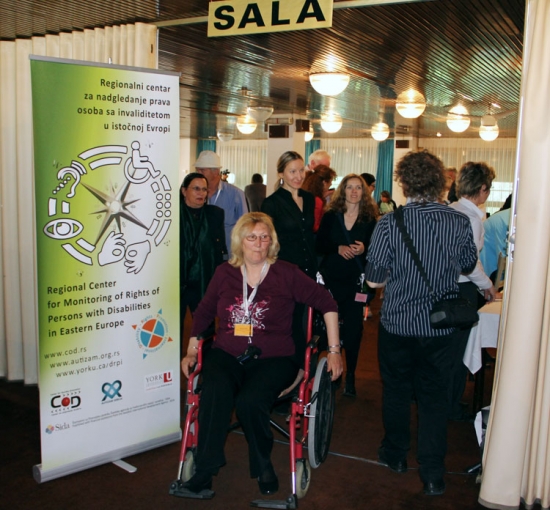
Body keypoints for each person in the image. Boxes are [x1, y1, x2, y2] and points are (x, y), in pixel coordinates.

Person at [180, 212, 342, 497]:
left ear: (272, 241)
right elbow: (204, 311)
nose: (259, 243)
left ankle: (262, 463)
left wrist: (334, 350)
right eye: (252, 237)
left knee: (250, 401)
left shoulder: (286, 273)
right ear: (240, 241)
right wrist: (192, 349)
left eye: (265, 237)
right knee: (214, 390)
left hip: (274, 357)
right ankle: (205, 470)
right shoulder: (224, 273)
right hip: (228, 353)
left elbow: (327, 303)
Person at [365, 149, 477, 496]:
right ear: (441, 183)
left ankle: (396, 455)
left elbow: (373, 280)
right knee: (433, 398)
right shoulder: (458, 221)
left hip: (398, 324)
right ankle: (432, 473)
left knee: (397, 391)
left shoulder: (388, 223)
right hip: (439, 326)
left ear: (404, 182)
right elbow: (469, 265)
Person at [316, 174, 377, 396]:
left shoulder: (370, 218)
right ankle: (332, 372)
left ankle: (350, 375)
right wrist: (338, 247)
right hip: (331, 279)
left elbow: (377, 249)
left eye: (358, 188)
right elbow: (319, 243)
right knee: (328, 328)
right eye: (349, 187)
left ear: (364, 192)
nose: (353, 192)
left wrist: (364, 249)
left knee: (353, 331)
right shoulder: (332, 215)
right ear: (342, 190)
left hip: (355, 282)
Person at [448, 162, 497, 420]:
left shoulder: (451, 209)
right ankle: (452, 405)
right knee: (458, 350)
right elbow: (470, 265)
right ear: (482, 189)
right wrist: (488, 286)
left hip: (444, 286)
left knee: (446, 348)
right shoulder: (473, 219)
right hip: (462, 289)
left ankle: (446, 400)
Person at [261, 151, 318, 364]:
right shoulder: (271, 203)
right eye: (292, 171)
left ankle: (302, 367)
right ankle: (288, 367)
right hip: (284, 272)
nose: (298, 176)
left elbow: (310, 237)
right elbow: (266, 243)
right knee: (288, 322)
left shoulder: (310, 199)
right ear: (281, 174)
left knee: (305, 323)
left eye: (301, 170)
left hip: (308, 270)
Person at [180, 173, 226, 342]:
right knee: (174, 326)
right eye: (196, 189)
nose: (201, 193)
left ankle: (204, 365)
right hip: (177, 280)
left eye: (204, 190)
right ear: (184, 191)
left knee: (205, 328)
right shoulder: (172, 215)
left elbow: (220, 249)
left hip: (204, 280)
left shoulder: (215, 215)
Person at [194, 150, 248, 255]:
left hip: (228, 257)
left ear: (216, 172)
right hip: (201, 257)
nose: (198, 174)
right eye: (197, 170)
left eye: (202, 170)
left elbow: (246, 227)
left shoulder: (236, 194)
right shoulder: (194, 194)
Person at [301, 164, 337, 232]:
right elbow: (315, 226)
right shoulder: (317, 201)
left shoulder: (306, 195)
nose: (331, 184)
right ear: (324, 183)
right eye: (330, 181)